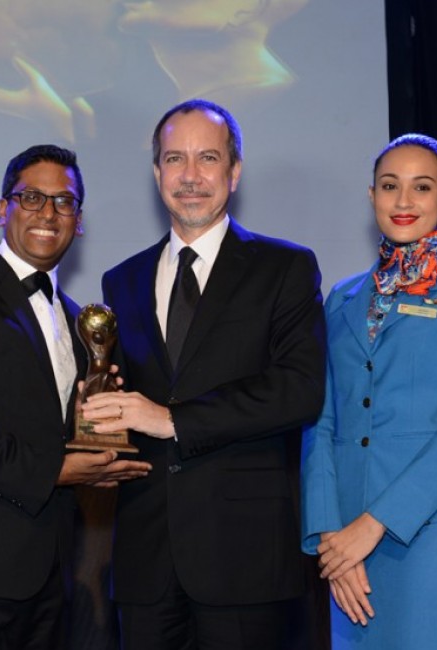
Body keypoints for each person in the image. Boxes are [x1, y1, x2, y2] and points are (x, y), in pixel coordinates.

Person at [83, 99, 326, 650]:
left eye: (208, 158)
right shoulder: (121, 280)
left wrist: (173, 420)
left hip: (242, 556)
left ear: (234, 172)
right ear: (156, 173)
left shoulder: (284, 268)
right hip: (145, 557)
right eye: (175, 159)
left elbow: (299, 390)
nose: (190, 176)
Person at [0, 144, 151, 649]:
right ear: (3, 209)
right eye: (32, 197)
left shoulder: (82, 320)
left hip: (51, 576)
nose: (48, 213)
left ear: (79, 221)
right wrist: (57, 469)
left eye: (64, 202)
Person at [300, 134, 437, 648]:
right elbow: (320, 420)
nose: (403, 201)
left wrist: (374, 525)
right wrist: (332, 535)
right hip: (346, 540)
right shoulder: (342, 296)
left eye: (422, 187)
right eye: (390, 186)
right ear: (371, 194)